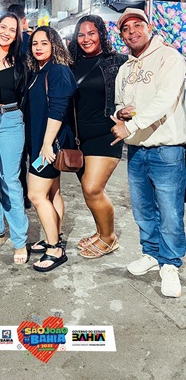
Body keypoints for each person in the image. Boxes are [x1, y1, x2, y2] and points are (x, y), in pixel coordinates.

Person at [111, 8, 186, 298]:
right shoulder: (125, 68)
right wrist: (122, 113)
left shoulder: (170, 57)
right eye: (126, 29)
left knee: (169, 210)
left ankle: (170, 263)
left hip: (167, 148)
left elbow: (165, 99)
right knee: (143, 209)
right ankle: (152, 253)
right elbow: (119, 103)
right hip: (136, 149)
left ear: (149, 27)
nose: (132, 32)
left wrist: (132, 125)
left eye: (137, 25)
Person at [64, 15, 127, 259]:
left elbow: (137, 88)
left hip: (105, 135)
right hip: (79, 138)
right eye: (81, 34)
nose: (86, 39)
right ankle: (101, 233)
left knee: (92, 188)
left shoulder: (117, 61)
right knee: (88, 189)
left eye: (92, 33)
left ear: (101, 33)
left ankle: (109, 238)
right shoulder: (70, 63)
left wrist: (128, 117)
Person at [24, 26, 77, 272]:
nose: (38, 47)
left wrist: (46, 144)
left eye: (44, 43)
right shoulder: (41, 70)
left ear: (55, 44)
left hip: (48, 143)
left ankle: (55, 249)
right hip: (41, 141)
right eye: (35, 43)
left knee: (36, 195)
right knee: (53, 192)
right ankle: (52, 236)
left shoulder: (58, 70)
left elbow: (58, 109)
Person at [0, 12, 29, 264]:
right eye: (3, 27)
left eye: (12, 29)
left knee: (9, 179)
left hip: (10, 119)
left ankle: (19, 240)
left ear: (17, 35)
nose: (7, 32)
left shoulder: (20, 61)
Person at [7, 3, 31, 209]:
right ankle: (26, 195)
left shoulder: (26, 44)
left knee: (18, 158)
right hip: (26, 108)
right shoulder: (30, 42)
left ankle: (23, 195)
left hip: (18, 109)